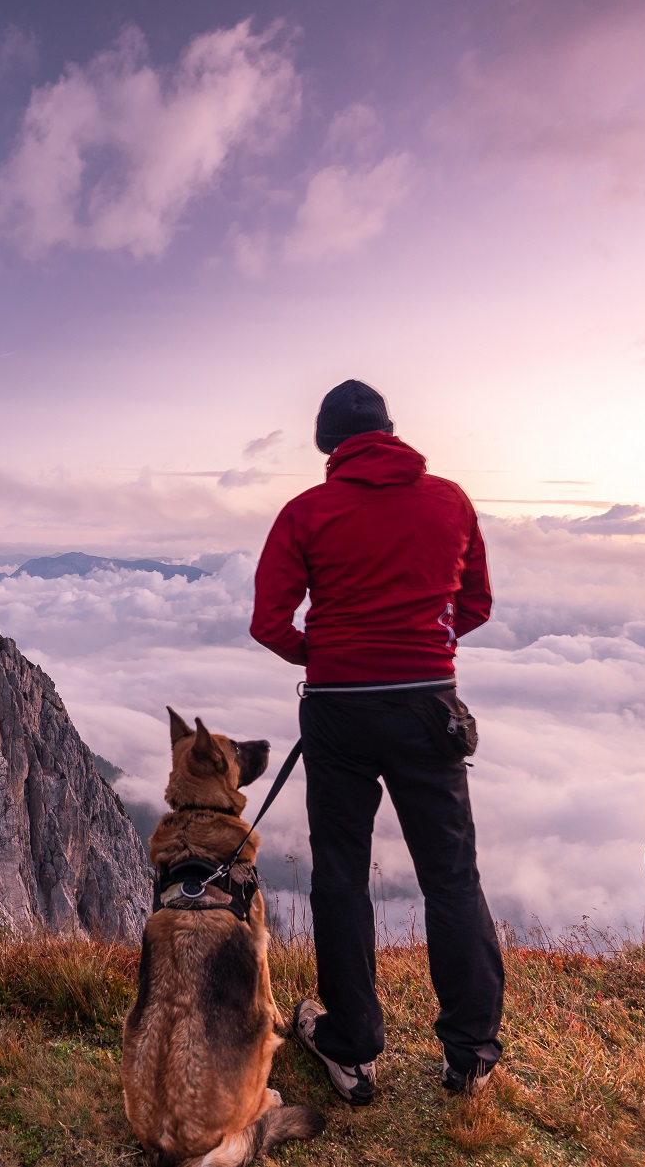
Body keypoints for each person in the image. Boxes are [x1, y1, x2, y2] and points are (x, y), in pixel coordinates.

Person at [249, 379, 503, 1103]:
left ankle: (352, 1045)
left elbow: (270, 622)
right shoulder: (450, 500)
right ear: (392, 431)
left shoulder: (307, 511)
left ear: (329, 444)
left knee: (340, 874)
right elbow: (475, 603)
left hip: (339, 714)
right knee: (451, 874)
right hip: (429, 707)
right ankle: (470, 1051)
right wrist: (424, 649)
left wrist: (325, 658)